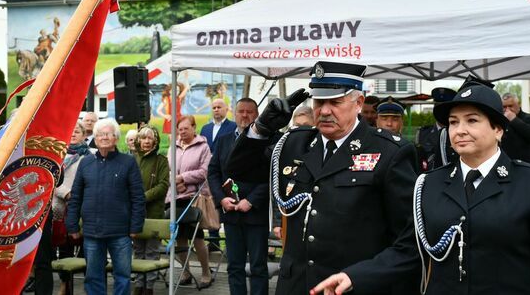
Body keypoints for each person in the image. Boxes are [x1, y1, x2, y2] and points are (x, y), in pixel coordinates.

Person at [314, 81, 530, 295]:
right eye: (454, 122)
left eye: (472, 120)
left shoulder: (527, 183)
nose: (460, 130)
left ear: (498, 129)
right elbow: (410, 249)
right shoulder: (429, 184)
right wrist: (355, 277)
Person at [231, 61, 419, 294]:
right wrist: (260, 130)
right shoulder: (295, 143)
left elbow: (409, 241)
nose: (325, 111)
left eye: (336, 102)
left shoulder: (389, 152)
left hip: (351, 287)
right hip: (296, 285)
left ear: (358, 103)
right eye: (319, 102)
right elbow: (239, 169)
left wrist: (360, 276)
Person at [66, 118, 145, 295]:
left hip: (121, 232)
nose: (103, 138)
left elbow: (138, 197)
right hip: (92, 232)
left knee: (123, 276)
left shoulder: (128, 162)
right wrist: (72, 225)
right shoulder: (86, 163)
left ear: (116, 138)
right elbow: (76, 196)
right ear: (94, 138)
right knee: (93, 277)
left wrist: (135, 227)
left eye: (108, 134)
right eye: (100, 134)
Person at [207, 98, 271, 295]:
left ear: (257, 115)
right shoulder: (224, 140)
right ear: (234, 114)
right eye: (241, 111)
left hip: (255, 214)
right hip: (231, 214)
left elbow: (271, 176)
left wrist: (251, 200)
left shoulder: (267, 141)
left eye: (249, 112)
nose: (244, 115)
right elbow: (213, 172)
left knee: (258, 267)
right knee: (234, 267)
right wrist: (221, 198)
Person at [165, 115, 212, 289]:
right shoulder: (173, 147)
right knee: (179, 238)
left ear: (194, 128)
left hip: (193, 198)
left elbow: (204, 172)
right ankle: (186, 272)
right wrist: (177, 183)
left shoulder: (203, 147)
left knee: (197, 237)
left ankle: (206, 272)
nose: (182, 132)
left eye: (185, 128)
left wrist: (182, 178)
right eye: (180, 129)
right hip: (175, 196)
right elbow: (168, 169)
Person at [52, 120, 91, 295]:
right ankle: (64, 285)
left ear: (84, 135)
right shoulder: (57, 155)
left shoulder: (90, 156)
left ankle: (88, 285)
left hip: (84, 208)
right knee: (65, 249)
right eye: (71, 130)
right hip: (61, 207)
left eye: (78, 131)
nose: (73, 134)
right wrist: (67, 193)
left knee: (86, 248)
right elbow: (51, 180)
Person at [133, 126, 169, 295]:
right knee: (138, 250)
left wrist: (143, 197)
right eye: (143, 138)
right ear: (138, 140)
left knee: (152, 252)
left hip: (154, 213)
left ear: (155, 141)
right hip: (135, 213)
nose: (146, 141)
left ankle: (149, 287)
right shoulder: (133, 159)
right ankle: (139, 284)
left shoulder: (161, 160)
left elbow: (163, 185)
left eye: (150, 138)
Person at [415, 87, 457, 172]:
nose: (441, 111)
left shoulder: (459, 132)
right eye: (437, 106)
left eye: (445, 108)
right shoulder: (423, 133)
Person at [501, 92, 530, 163]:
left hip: (525, 164)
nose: (507, 109)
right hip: (506, 164)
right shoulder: (501, 120)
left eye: (510, 106)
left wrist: (514, 120)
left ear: (519, 105)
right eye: (504, 107)